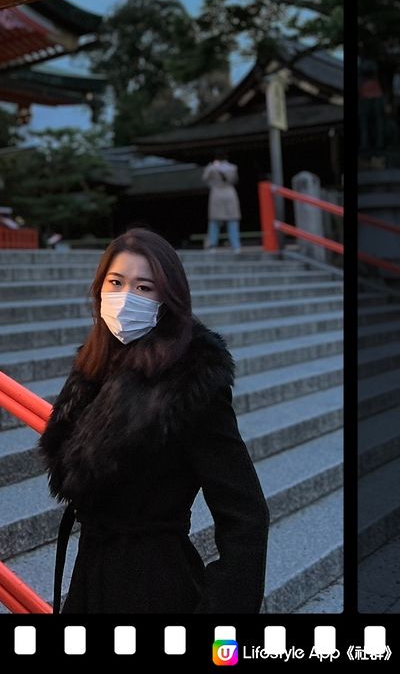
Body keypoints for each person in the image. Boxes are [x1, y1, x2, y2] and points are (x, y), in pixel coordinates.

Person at [38, 228, 270, 615]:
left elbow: (246, 513)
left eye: (144, 287)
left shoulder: (190, 383)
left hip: (155, 583)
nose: (126, 297)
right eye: (116, 282)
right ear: (100, 288)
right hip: (89, 575)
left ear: (168, 299)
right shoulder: (95, 365)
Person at [202, 150, 241, 254]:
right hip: (230, 194)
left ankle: (212, 245)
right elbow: (235, 180)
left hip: (216, 194)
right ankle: (236, 246)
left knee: (214, 221)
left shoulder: (211, 167)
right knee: (232, 220)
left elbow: (204, 178)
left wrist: (212, 166)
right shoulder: (233, 167)